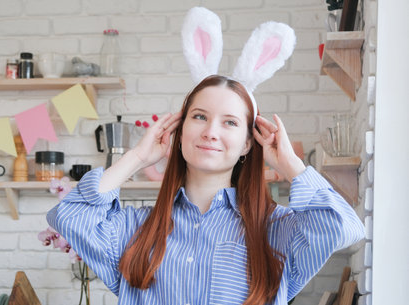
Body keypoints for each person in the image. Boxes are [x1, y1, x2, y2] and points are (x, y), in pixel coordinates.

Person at [47, 74, 365, 305]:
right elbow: (71, 213)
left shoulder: (274, 230)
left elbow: (343, 227)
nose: (211, 132)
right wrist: (138, 157)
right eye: (200, 117)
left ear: (247, 144)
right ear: (180, 130)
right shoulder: (137, 230)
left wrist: (289, 165)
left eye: (229, 122)